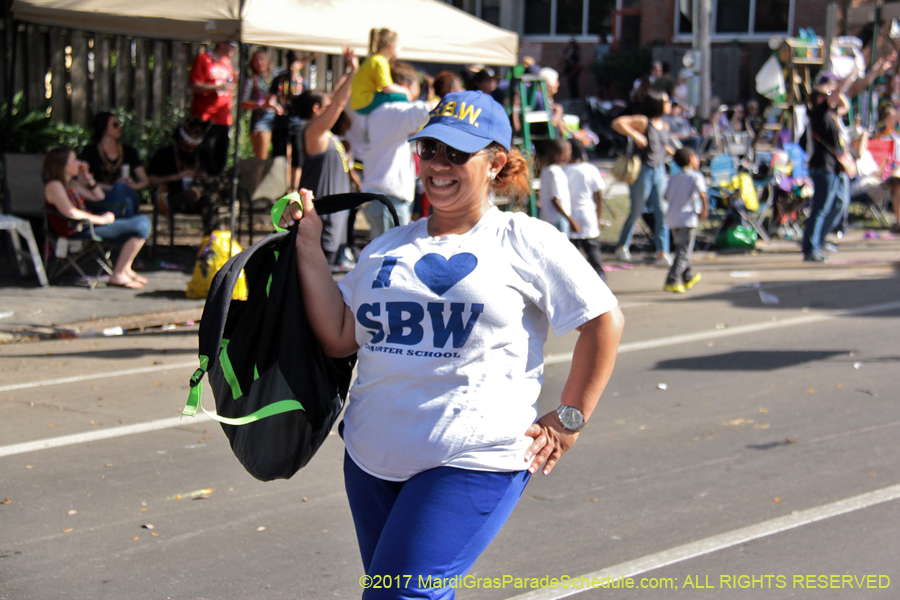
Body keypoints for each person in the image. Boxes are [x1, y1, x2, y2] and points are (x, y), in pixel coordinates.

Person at [286, 89, 624, 599]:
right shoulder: (386, 246)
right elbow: (338, 336)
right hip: (370, 459)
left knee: (399, 596)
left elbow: (603, 320)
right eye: (429, 149)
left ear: (496, 163)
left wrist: (570, 417)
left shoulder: (524, 239)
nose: (438, 165)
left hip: (473, 458)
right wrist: (309, 243)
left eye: (457, 153)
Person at [43, 147, 151, 289]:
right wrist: (101, 220)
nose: (79, 163)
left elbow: (99, 197)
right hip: (75, 230)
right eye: (74, 160)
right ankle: (118, 275)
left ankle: (126, 269)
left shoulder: (71, 184)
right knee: (140, 227)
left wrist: (87, 177)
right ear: (63, 165)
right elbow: (71, 213)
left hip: (86, 225)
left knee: (142, 220)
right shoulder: (54, 185)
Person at [295, 46, 360, 271]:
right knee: (317, 278)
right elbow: (338, 103)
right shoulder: (313, 132)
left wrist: (349, 71)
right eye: (326, 105)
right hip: (323, 217)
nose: (333, 107)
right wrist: (354, 72)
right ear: (316, 109)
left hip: (334, 216)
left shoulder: (325, 133)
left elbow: (335, 98)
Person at [359, 62, 435, 240]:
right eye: (416, 87)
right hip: (387, 198)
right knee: (390, 254)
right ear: (404, 87)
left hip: (382, 196)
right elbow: (428, 110)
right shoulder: (393, 111)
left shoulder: (379, 111)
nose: (417, 93)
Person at [612, 90, 674, 266]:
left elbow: (661, 146)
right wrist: (635, 134)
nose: (669, 104)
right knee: (637, 210)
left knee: (662, 211)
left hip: (659, 170)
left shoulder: (664, 125)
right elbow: (617, 123)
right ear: (657, 104)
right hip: (643, 171)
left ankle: (662, 252)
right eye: (666, 101)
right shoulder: (644, 121)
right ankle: (622, 246)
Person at [803, 83, 850, 262]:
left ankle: (819, 240)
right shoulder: (818, 113)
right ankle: (811, 248)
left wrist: (834, 89)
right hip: (823, 167)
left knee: (839, 203)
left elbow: (845, 105)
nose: (827, 97)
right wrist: (853, 72)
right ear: (817, 99)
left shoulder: (830, 114)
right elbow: (837, 94)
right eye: (823, 95)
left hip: (834, 167)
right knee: (820, 209)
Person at [147, 120, 218, 233]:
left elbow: (213, 175)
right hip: (175, 198)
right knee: (193, 194)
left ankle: (212, 238)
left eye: (193, 148)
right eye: (186, 147)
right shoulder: (164, 155)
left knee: (211, 199)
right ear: (179, 140)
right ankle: (195, 192)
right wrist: (176, 177)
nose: (190, 151)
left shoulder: (202, 154)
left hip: (200, 198)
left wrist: (204, 177)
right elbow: (150, 181)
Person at [79, 112, 149, 218]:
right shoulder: (90, 152)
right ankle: (124, 224)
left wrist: (133, 186)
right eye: (115, 125)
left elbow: (145, 181)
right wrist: (113, 188)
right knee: (126, 201)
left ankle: (115, 222)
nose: (119, 127)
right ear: (103, 128)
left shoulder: (129, 151)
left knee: (123, 191)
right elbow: (82, 180)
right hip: (102, 195)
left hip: (126, 192)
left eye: (119, 124)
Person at [269, 50, 316, 191]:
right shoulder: (279, 80)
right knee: (280, 155)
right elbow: (270, 99)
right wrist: (275, 106)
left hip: (298, 124)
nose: (292, 66)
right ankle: (280, 188)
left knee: (297, 157)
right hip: (281, 122)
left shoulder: (303, 83)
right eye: (290, 61)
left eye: (295, 62)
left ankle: (294, 188)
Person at [663, 148, 707, 293]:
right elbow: (703, 194)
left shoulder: (674, 178)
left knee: (682, 248)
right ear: (690, 159)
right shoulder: (696, 176)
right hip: (687, 219)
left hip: (673, 219)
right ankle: (672, 280)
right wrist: (704, 209)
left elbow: (665, 196)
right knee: (683, 252)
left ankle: (688, 277)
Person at [189, 41, 236, 176]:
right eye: (232, 46)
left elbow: (228, 86)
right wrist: (217, 87)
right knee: (205, 158)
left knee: (220, 160)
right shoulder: (203, 59)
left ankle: (218, 185)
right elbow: (194, 85)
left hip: (224, 118)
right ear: (222, 44)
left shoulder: (226, 62)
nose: (234, 49)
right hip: (206, 117)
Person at [565, 138, 607, 280]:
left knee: (571, 257)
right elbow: (598, 197)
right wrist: (599, 217)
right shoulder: (590, 169)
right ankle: (601, 279)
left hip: (569, 219)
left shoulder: (561, 171)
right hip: (588, 216)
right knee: (593, 252)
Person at [538, 138, 579, 235]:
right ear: (562, 155)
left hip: (548, 218)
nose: (570, 155)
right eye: (569, 152)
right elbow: (555, 200)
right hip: (557, 219)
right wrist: (571, 220)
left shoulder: (546, 169)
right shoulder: (555, 172)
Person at [240, 49, 275, 159]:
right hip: (260, 120)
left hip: (276, 119)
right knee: (261, 158)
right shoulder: (251, 80)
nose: (260, 62)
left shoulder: (273, 79)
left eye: (262, 59)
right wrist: (261, 104)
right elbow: (243, 103)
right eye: (256, 60)